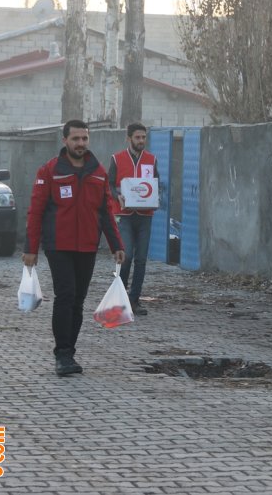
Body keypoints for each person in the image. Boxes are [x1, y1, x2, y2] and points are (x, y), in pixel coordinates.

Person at [23, 119, 125, 376]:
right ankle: (63, 354)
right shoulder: (50, 171)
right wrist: (30, 248)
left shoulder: (98, 172)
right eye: (76, 139)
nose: (81, 143)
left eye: (84, 138)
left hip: (87, 245)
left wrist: (116, 244)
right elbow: (36, 212)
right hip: (58, 245)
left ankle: (70, 352)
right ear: (65, 141)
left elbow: (106, 212)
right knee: (65, 295)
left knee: (78, 300)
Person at [107, 122, 159, 316]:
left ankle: (134, 300)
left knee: (141, 259)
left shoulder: (151, 159)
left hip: (145, 215)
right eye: (137, 137)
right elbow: (109, 185)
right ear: (128, 138)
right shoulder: (117, 159)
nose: (141, 141)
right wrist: (117, 196)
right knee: (126, 255)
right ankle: (120, 297)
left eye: (143, 137)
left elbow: (156, 183)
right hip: (124, 214)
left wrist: (156, 197)